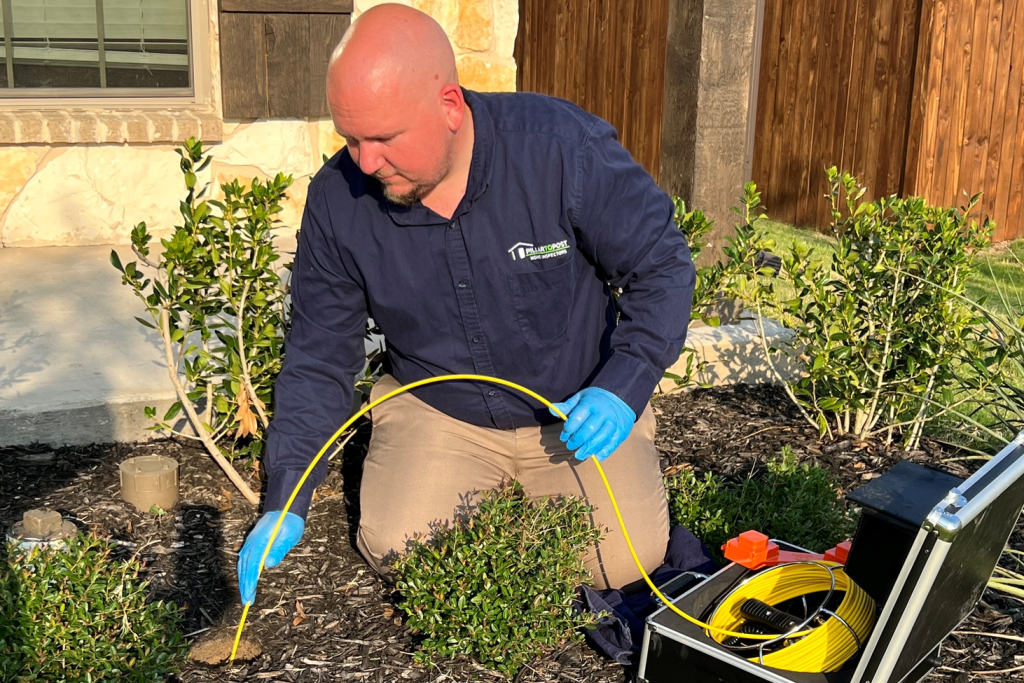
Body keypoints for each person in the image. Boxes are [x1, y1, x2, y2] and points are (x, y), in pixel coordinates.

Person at [236, 3, 695, 606]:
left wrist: (623, 386)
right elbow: (320, 355)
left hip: (573, 410)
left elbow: (661, 268)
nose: (366, 163)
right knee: (396, 547)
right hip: (440, 411)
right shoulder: (337, 202)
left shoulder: (562, 151)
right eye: (351, 139)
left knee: (619, 564)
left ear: (449, 107)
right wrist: (287, 497)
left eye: (384, 138)